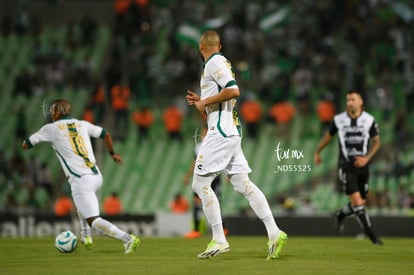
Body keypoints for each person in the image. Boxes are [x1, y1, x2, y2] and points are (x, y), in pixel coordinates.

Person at [186, 30, 287, 260]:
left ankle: (219, 239)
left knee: (199, 183)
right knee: (242, 183)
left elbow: (233, 90)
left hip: (221, 132)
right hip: (229, 128)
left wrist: (204, 101)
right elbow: (217, 106)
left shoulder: (214, 62)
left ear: (201, 48)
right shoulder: (219, 62)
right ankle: (274, 232)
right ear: (219, 45)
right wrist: (201, 104)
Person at [22, 99, 140, 253]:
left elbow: (26, 144)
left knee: (94, 221)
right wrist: (113, 153)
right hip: (96, 175)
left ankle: (129, 239)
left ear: (58, 112)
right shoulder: (82, 124)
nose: (51, 114)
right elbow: (106, 134)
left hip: (81, 179)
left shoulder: (50, 129)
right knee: (80, 202)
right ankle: (85, 236)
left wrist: (28, 141)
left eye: (53, 111)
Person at [314, 90, 383, 245]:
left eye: (353, 99)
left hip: (363, 166)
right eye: (348, 100)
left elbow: (377, 142)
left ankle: (340, 215)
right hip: (346, 166)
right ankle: (373, 237)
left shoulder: (369, 120)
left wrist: (367, 158)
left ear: (361, 101)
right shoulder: (339, 119)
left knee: (361, 202)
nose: (350, 102)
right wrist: (318, 152)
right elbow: (328, 136)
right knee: (357, 201)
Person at [183, 127, 227, 239]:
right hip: (201, 178)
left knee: (216, 203)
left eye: (206, 132)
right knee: (197, 203)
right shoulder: (198, 147)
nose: (204, 135)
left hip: (214, 178)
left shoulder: (217, 146)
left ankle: (222, 229)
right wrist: (188, 175)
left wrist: (228, 174)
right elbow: (195, 162)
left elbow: (223, 161)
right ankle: (196, 230)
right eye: (203, 133)